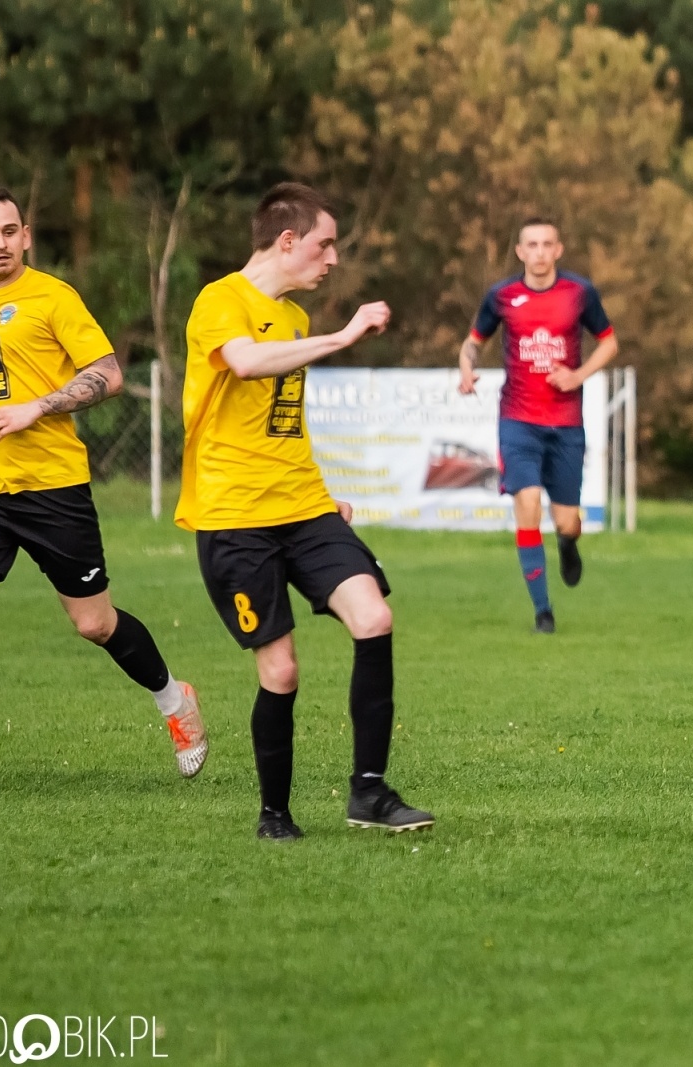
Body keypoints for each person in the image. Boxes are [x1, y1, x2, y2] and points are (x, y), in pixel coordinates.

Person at [0, 186, 206, 801]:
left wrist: (36, 409)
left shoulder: (53, 296)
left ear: (26, 237)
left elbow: (109, 373)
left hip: (54, 491)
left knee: (95, 624)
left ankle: (175, 700)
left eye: (9, 231)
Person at [178, 181, 432, 840]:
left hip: (304, 506)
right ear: (287, 241)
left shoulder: (292, 314)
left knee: (374, 616)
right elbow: (246, 362)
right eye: (325, 244)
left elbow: (280, 424)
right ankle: (275, 815)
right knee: (281, 668)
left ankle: (369, 793)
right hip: (233, 515)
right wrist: (342, 338)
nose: (333, 259)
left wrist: (324, 495)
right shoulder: (220, 301)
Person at [458, 218, 618, 633]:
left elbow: (609, 341)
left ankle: (568, 543)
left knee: (567, 520)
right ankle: (543, 611)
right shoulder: (502, 296)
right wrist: (466, 368)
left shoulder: (579, 293)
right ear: (521, 252)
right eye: (533, 244)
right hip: (518, 421)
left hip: (566, 426)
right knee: (527, 503)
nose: (541, 251)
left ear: (558, 250)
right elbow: (474, 342)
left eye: (548, 244)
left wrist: (578, 376)